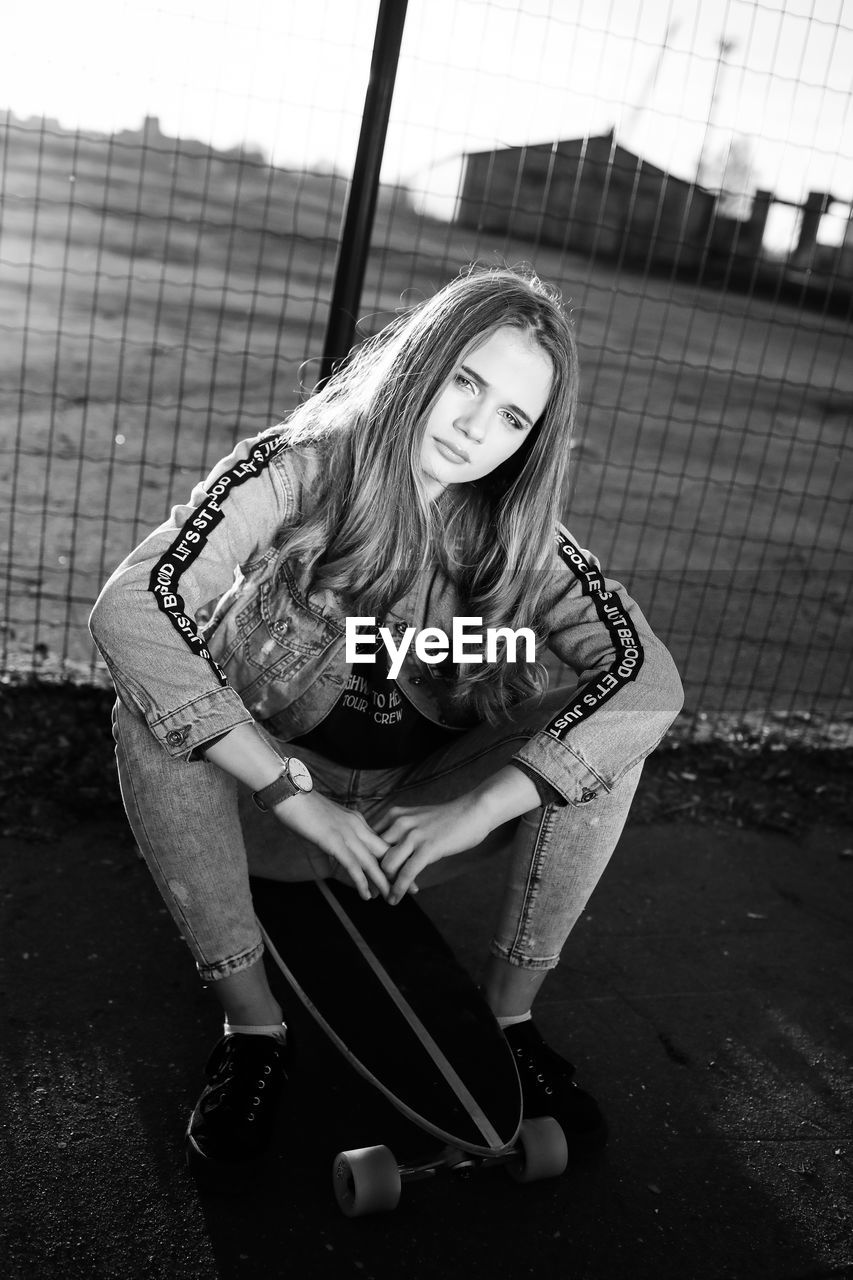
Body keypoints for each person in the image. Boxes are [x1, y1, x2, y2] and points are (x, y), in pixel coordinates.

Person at [89, 265, 683, 1180]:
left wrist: (479, 807)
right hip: (262, 812)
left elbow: (649, 680)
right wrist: (288, 791)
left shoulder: (519, 538)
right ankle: (252, 1031)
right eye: (467, 383)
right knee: (148, 711)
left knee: (610, 738)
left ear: (532, 441)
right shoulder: (299, 468)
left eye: (514, 418)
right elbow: (133, 605)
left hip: (408, 829)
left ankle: (507, 1021)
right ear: (421, 361)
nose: (475, 429)